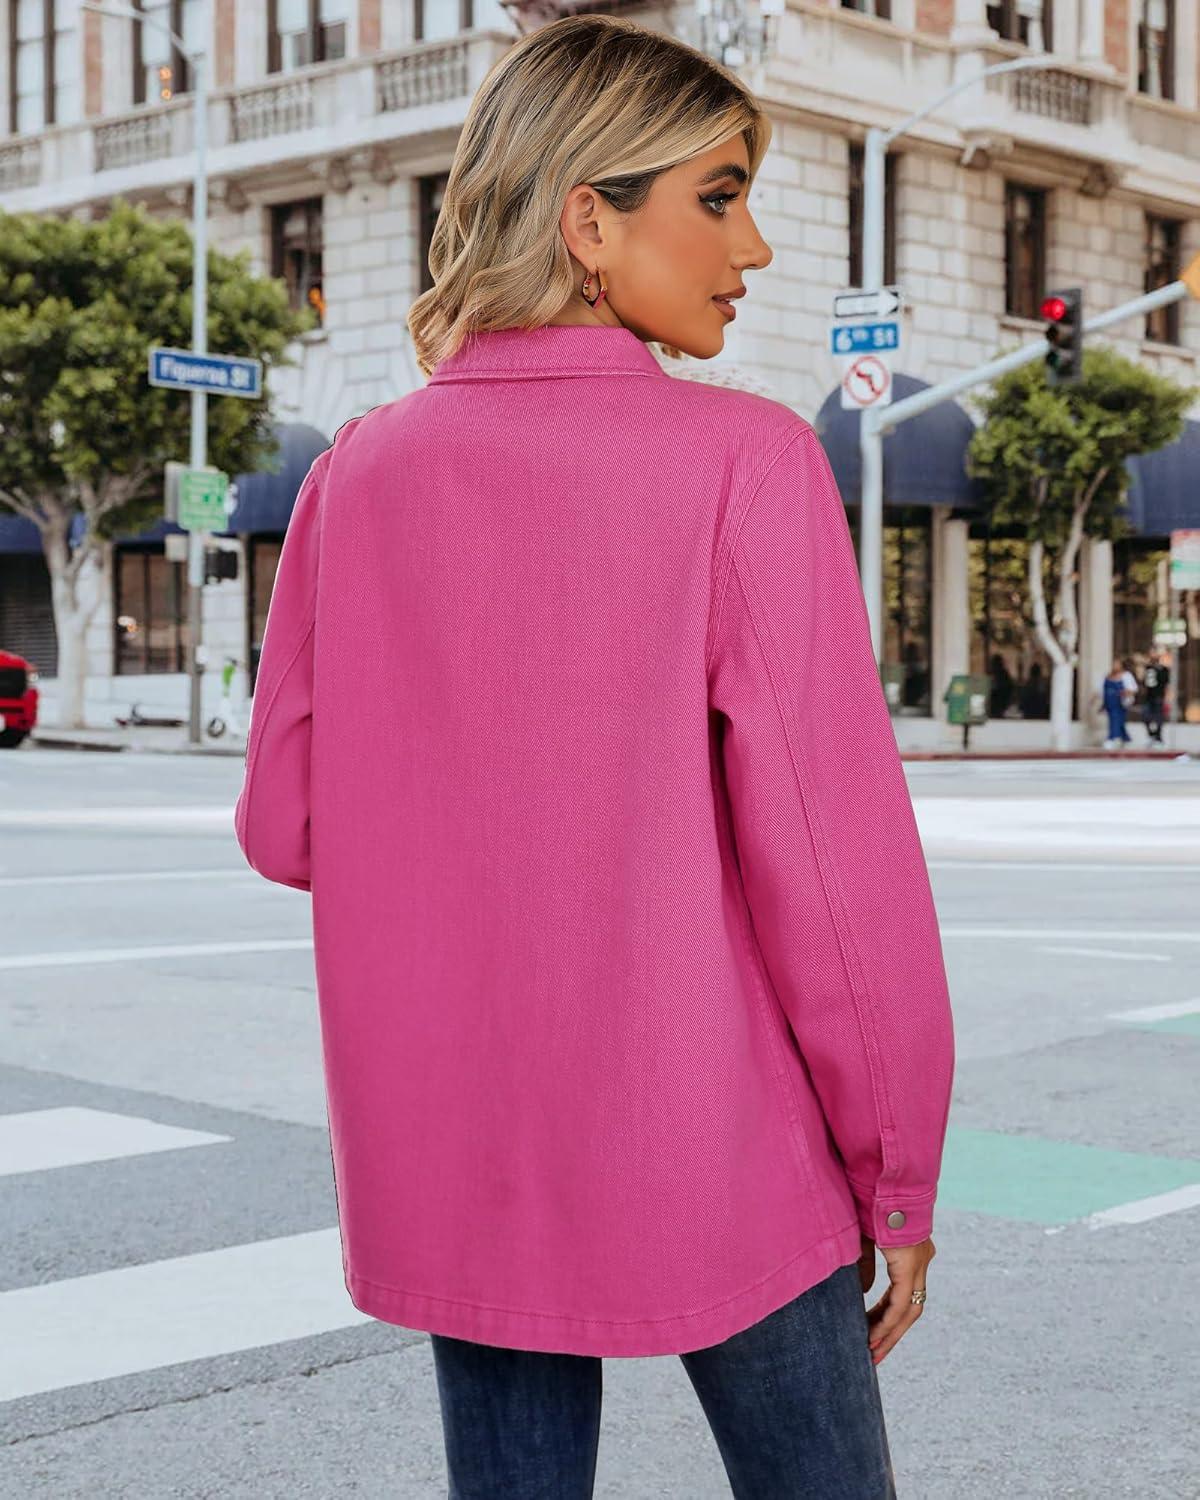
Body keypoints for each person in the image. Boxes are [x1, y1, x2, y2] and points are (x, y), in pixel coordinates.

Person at [234, 16, 955, 1497]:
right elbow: (834, 879)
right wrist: (895, 1174)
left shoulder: (355, 473)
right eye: (718, 196)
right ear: (588, 221)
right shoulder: (745, 463)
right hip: (715, 1143)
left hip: (463, 1153)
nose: (753, 246)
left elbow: (285, 826)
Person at [1098, 659, 1134, 749]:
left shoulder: (1126, 676)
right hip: (1109, 702)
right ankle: (1126, 738)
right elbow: (1101, 690)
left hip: (1120, 703)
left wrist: (1124, 694)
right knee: (1119, 721)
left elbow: (1131, 690)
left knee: (1115, 720)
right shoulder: (1107, 676)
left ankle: (1111, 738)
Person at [1141, 647, 1170, 747]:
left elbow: (1166, 685)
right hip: (1148, 697)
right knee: (1145, 716)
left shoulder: (1164, 669)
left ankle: (1158, 738)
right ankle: (1151, 735)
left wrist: (1167, 697)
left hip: (1159, 696)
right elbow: (1144, 682)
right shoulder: (1147, 668)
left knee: (1158, 718)